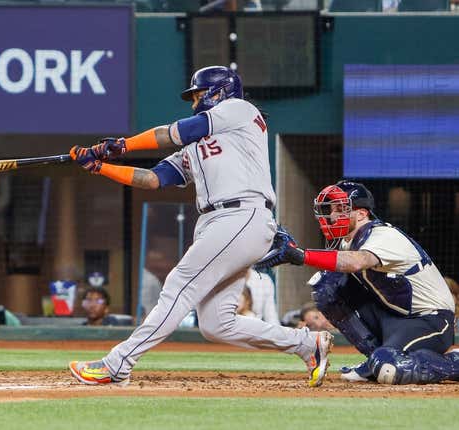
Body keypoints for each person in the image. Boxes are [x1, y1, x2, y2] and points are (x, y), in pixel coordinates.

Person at [67, 65, 332, 387]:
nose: (194, 102)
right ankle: (307, 344)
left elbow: (176, 132)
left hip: (241, 213)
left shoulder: (239, 110)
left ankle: (117, 363)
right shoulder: (198, 144)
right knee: (216, 323)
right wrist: (102, 166)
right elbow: (154, 178)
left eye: (198, 95)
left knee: (179, 285)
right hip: (218, 221)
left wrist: (121, 145)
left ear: (218, 92)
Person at [257, 180, 459, 384]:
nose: (333, 215)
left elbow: (357, 261)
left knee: (388, 368)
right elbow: (340, 267)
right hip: (396, 315)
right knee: (326, 284)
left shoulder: (384, 235)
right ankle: (375, 359)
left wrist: (301, 255)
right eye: (331, 209)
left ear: (362, 214)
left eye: (341, 209)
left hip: (432, 321)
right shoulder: (349, 241)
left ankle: (452, 363)